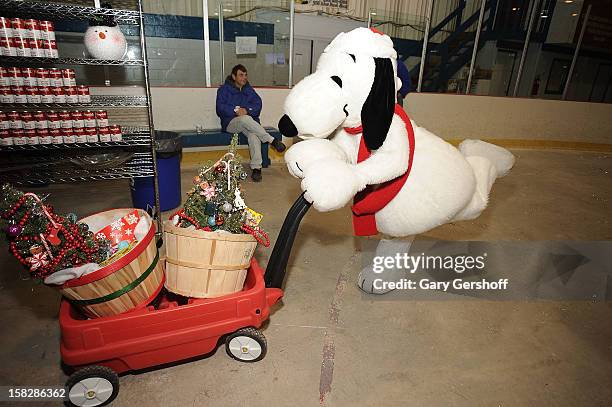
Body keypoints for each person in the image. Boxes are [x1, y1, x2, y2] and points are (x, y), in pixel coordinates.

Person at [216, 64, 286, 182]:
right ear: (234, 76)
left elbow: (258, 105)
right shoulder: (224, 90)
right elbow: (220, 108)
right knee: (245, 119)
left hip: (248, 124)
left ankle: (256, 169)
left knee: (254, 135)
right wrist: (235, 110)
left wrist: (247, 110)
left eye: (245, 75)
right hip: (231, 123)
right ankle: (271, 140)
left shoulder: (249, 90)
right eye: (241, 75)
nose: (244, 78)